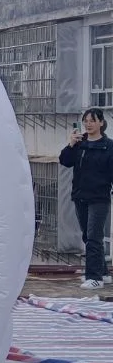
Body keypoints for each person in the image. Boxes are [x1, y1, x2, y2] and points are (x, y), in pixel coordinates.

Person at [58, 107, 113, 290]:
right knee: (87, 236)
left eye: (92, 120)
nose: (88, 124)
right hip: (80, 196)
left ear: (101, 123)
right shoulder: (80, 144)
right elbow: (65, 161)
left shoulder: (109, 146)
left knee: (93, 237)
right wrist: (71, 144)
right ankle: (103, 273)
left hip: (99, 198)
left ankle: (94, 276)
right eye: (86, 121)